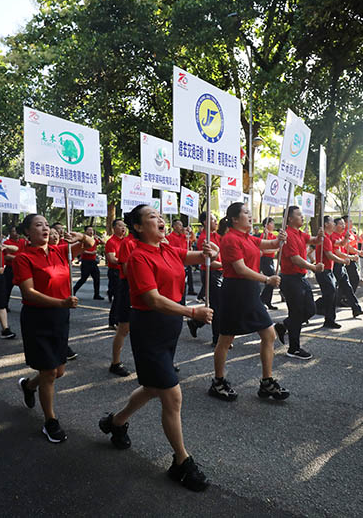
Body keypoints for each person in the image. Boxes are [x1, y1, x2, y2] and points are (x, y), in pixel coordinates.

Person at [98, 204, 216, 492]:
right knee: (172, 395)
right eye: (152, 217)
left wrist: (206, 252)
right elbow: (152, 299)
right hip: (149, 328)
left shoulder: (166, 249)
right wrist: (191, 312)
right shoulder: (138, 257)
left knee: (153, 388)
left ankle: (115, 422)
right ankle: (181, 462)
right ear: (138, 227)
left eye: (159, 215)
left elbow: (189, 256)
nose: (160, 219)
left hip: (169, 328)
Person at [14, 214, 92, 443]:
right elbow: (28, 293)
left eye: (47, 224)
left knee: (58, 371)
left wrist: (79, 235)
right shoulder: (23, 258)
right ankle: (50, 422)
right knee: (48, 373)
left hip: (60, 317)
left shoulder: (60, 251)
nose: (45, 228)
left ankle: (29, 386)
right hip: (37, 317)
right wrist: (61, 302)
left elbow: (89, 244)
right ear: (27, 232)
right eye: (38, 225)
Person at [208, 202, 289, 401]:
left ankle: (266, 382)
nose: (250, 216)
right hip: (236, 292)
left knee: (269, 334)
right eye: (246, 213)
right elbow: (240, 269)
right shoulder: (229, 239)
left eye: (249, 212)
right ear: (234, 219)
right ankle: (218, 382)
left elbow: (269, 246)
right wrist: (267, 279)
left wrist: (279, 240)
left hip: (250, 291)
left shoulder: (247, 237)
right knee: (226, 339)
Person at [273, 205, 323, 360]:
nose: (302, 217)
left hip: (301, 278)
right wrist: (313, 267)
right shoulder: (287, 235)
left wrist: (319, 236)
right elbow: (295, 259)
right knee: (296, 313)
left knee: (310, 310)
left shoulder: (300, 233)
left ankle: (284, 326)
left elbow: (314, 240)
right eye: (299, 215)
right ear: (290, 218)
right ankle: (293, 349)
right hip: (290, 279)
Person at [108, 223, 139, 377]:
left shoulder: (145, 241)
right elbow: (126, 270)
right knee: (124, 328)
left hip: (142, 287)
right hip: (128, 287)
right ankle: (115, 363)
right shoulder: (128, 243)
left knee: (144, 329)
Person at [189, 211, 223, 347]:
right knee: (217, 307)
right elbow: (208, 261)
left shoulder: (217, 235)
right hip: (211, 273)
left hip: (220, 272)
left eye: (215, 219)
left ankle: (196, 322)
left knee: (217, 305)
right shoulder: (204, 238)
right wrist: (225, 265)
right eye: (213, 219)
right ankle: (217, 338)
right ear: (204, 222)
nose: (216, 221)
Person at [330, 218, 363, 319]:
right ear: (335, 225)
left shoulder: (342, 236)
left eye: (344, 224)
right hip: (335, 265)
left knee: (348, 287)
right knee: (331, 291)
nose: (343, 226)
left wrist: (356, 253)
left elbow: (347, 247)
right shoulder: (333, 236)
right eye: (341, 224)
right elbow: (338, 252)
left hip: (341, 265)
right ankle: (323, 308)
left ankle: (356, 309)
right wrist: (350, 257)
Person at [314, 216, 346, 329]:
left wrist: (346, 238)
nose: (334, 223)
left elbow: (341, 244)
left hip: (329, 271)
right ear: (326, 224)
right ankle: (323, 315)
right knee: (330, 294)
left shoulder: (329, 237)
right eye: (332, 222)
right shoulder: (324, 239)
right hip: (323, 271)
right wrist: (343, 261)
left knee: (331, 295)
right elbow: (329, 255)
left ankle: (329, 319)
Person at [73, 225, 104, 300]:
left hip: (93, 262)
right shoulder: (83, 240)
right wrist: (92, 253)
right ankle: (73, 291)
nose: (91, 231)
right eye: (89, 230)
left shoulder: (94, 240)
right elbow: (82, 250)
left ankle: (96, 294)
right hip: (86, 262)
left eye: (92, 230)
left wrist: (98, 237)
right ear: (85, 231)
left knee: (97, 278)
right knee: (83, 278)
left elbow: (103, 242)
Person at [105, 219, 125, 328]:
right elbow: (112, 259)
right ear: (114, 228)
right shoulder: (111, 242)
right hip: (115, 272)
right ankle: (112, 321)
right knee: (117, 297)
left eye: (124, 226)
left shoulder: (126, 241)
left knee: (123, 297)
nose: (123, 228)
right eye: (120, 226)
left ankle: (121, 320)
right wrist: (125, 261)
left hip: (124, 271)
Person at [3, 226, 27, 310]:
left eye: (17, 231)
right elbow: (6, 256)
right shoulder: (7, 242)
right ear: (10, 233)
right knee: (7, 288)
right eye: (13, 231)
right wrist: (20, 258)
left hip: (22, 268)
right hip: (10, 268)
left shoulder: (24, 242)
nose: (16, 233)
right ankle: (4, 305)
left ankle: (28, 304)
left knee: (25, 287)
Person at [259, 217, 279, 310]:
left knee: (271, 281)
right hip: (264, 260)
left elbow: (277, 245)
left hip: (270, 260)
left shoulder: (273, 236)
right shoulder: (263, 235)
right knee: (271, 279)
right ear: (267, 225)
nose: (273, 225)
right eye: (272, 223)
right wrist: (275, 250)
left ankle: (267, 300)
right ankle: (262, 300)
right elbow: (263, 250)